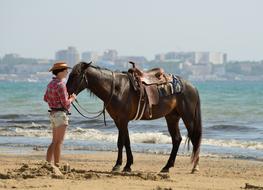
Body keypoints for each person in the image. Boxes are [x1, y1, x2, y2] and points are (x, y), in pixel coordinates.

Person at [43, 61, 76, 167]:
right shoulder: (61, 85)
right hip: (60, 115)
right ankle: (57, 165)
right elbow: (66, 104)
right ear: (60, 72)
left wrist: (54, 102)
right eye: (66, 70)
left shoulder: (50, 84)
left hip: (52, 114)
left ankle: (48, 164)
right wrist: (71, 98)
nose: (67, 72)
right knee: (59, 142)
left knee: (54, 141)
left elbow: (45, 98)